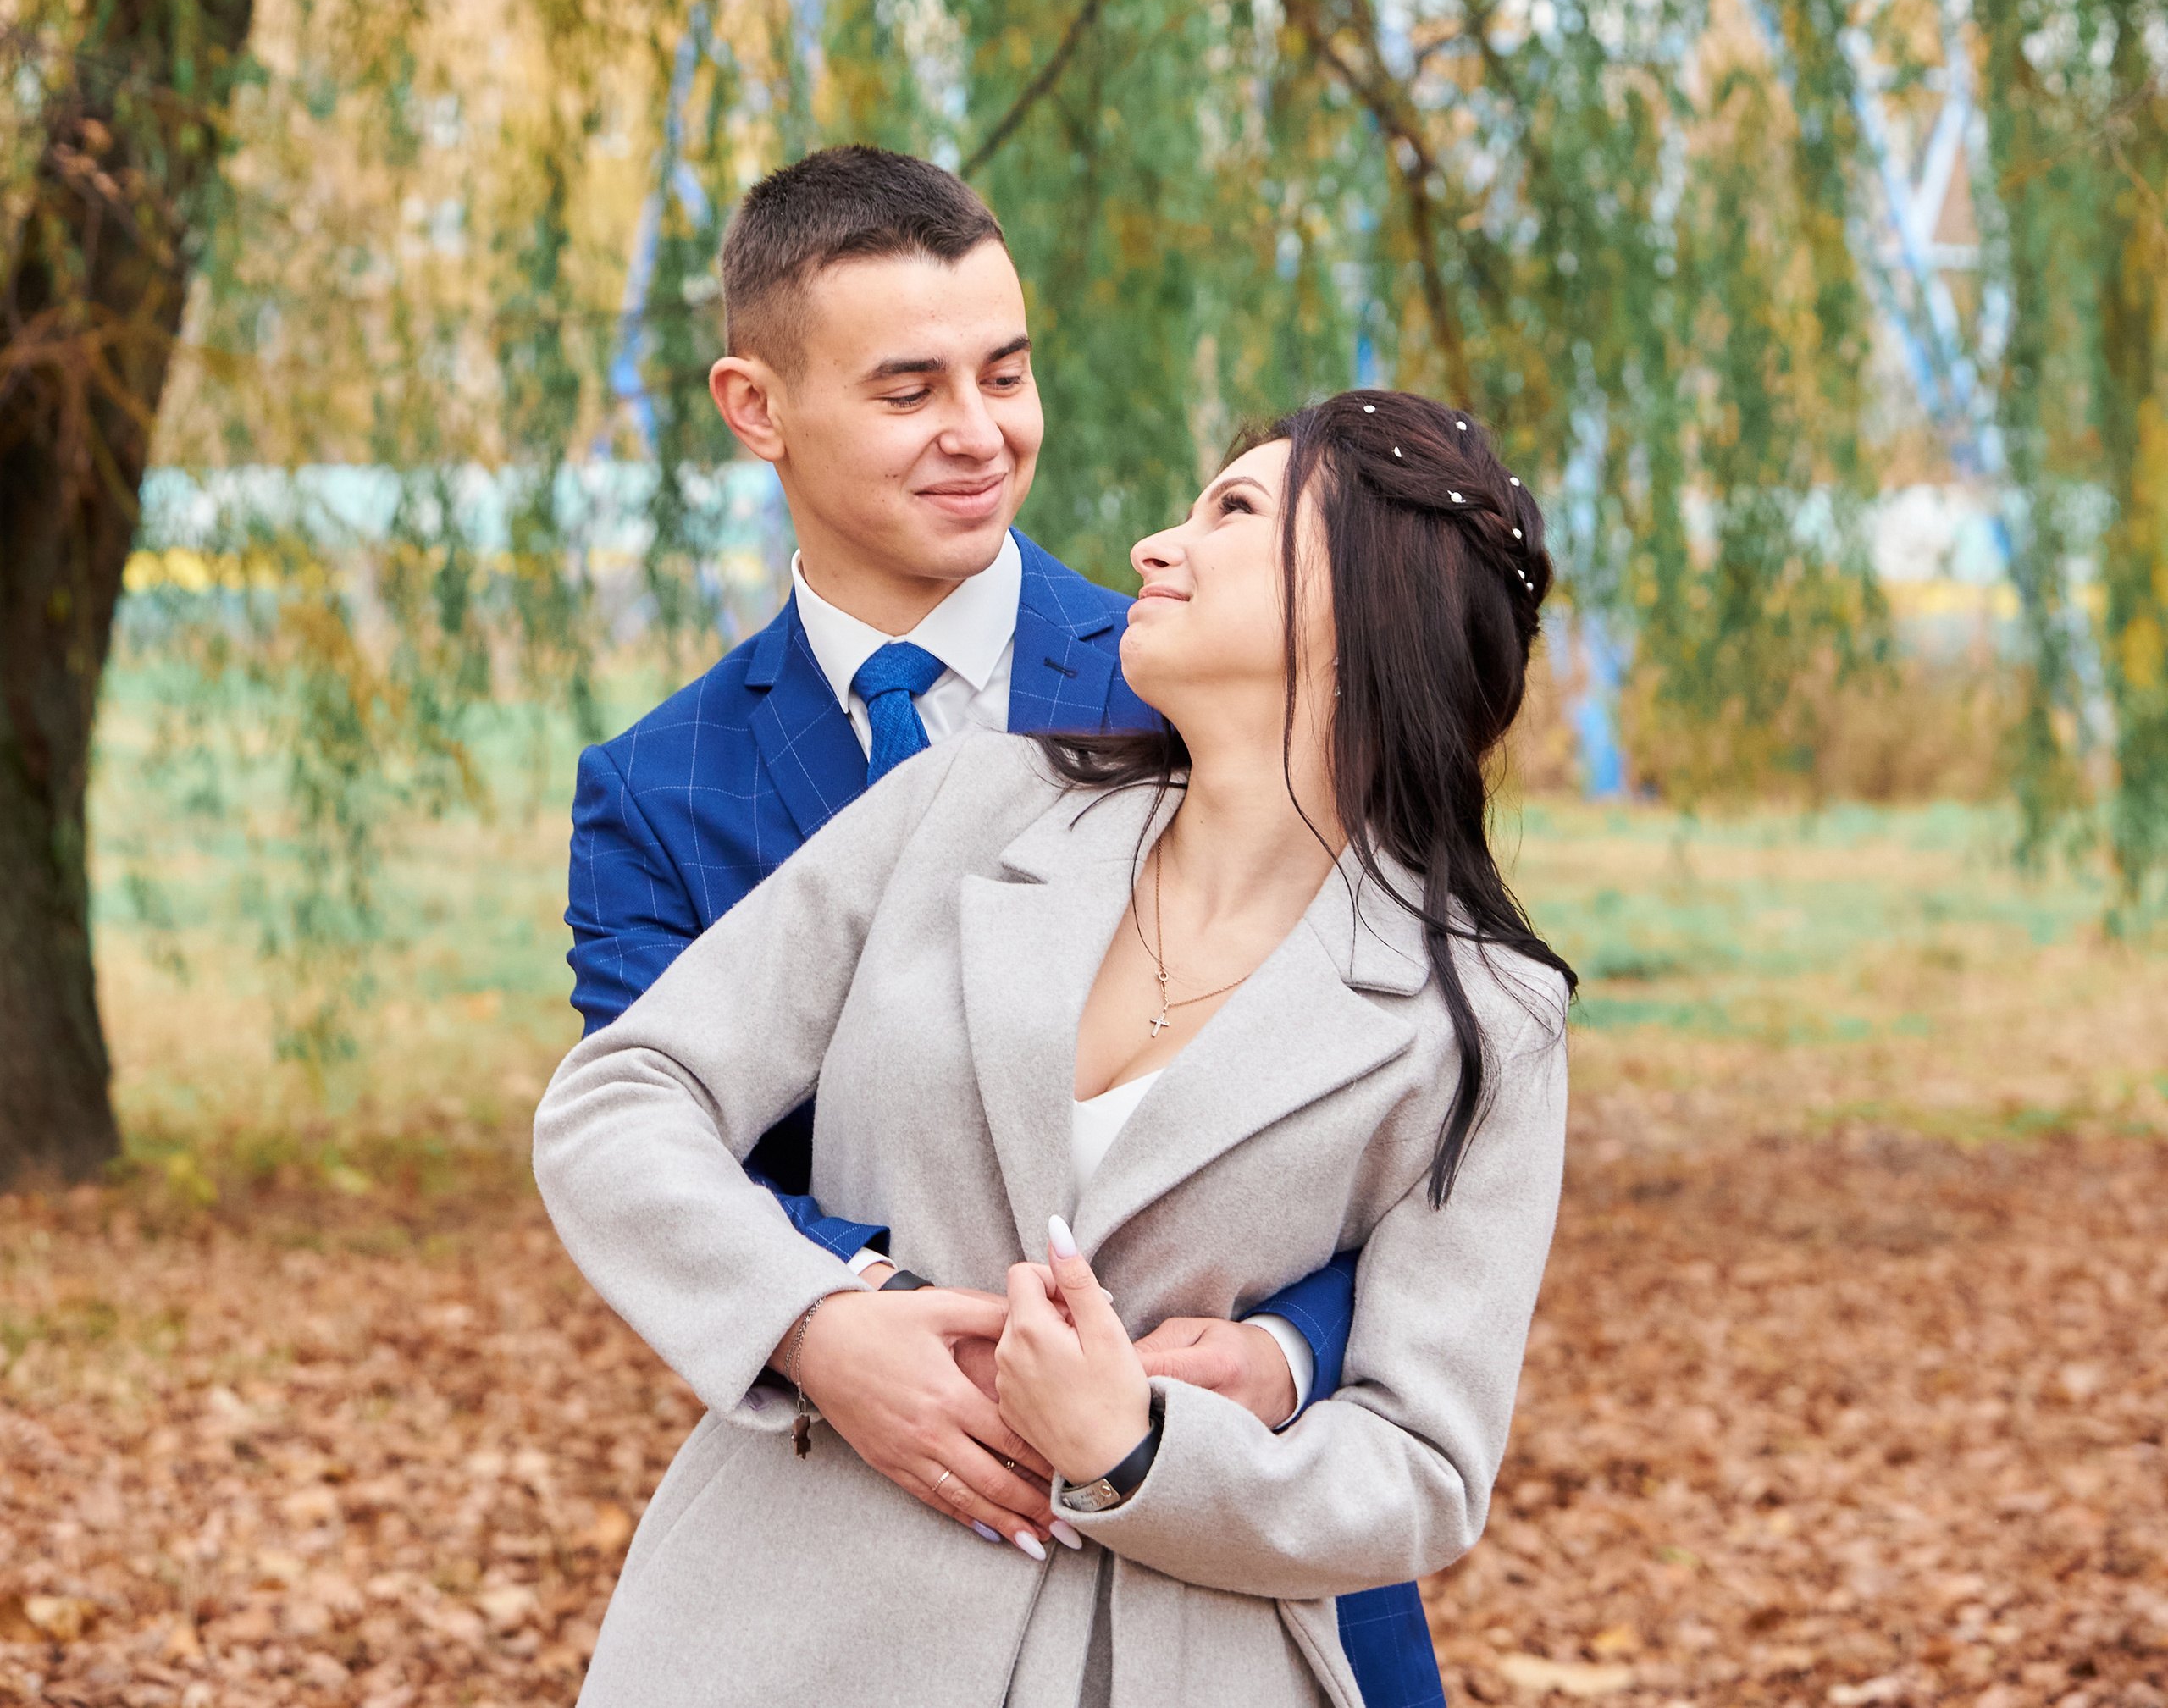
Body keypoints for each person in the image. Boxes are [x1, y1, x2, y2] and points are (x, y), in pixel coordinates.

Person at [537, 386, 1573, 1708]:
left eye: (1234, 511)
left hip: (1174, 1661)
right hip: (791, 1624)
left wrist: (1139, 1453)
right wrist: (815, 1315)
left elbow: (1423, 1464)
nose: (1152, 544)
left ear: (1372, 603)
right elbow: (620, 1097)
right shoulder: (965, 805)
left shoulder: (1486, 1018)